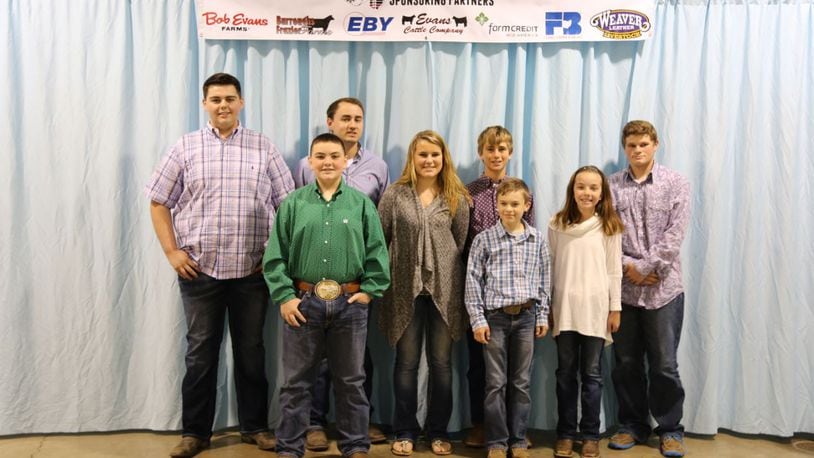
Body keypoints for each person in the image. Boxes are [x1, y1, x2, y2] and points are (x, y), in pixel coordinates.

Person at [145, 72, 293, 457]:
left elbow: (288, 206)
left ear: (241, 102)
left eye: (230, 98)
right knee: (200, 354)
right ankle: (195, 433)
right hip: (200, 272)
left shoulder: (263, 147)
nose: (223, 104)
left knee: (251, 351)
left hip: (252, 272)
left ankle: (255, 427)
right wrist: (171, 252)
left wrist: (274, 255)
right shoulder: (185, 147)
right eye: (216, 99)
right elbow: (159, 201)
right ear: (205, 104)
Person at [263, 133, 390, 458]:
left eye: (335, 155)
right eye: (320, 156)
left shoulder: (361, 204)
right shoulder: (294, 204)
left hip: (350, 305)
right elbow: (275, 256)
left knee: (351, 381)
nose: (328, 162)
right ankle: (290, 448)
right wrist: (285, 296)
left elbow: (377, 250)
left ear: (345, 161)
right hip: (303, 304)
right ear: (310, 161)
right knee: (296, 383)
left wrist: (370, 291)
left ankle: (356, 446)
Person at [291, 97, 390, 450]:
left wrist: (370, 285)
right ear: (330, 122)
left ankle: (359, 427)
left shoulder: (377, 166)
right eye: (345, 118)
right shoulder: (306, 165)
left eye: (358, 119)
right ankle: (315, 424)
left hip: (354, 285)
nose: (352, 124)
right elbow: (300, 215)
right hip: (313, 286)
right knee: (314, 362)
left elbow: (380, 222)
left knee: (358, 362)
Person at [377, 130, 470, 457]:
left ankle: (438, 431)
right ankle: (404, 429)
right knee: (406, 363)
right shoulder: (395, 195)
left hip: (445, 291)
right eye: (423, 155)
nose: (429, 160)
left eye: (435, 154)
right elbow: (381, 238)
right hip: (404, 291)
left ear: (443, 158)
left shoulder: (456, 196)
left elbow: (459, 244)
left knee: (442, 364)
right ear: (412, 159)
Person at [608, 120, 691, 458]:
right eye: (631, 145)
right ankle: (631, 425)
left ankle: (670, 429)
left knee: (664, 365)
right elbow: (607, 234)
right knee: (626, 362)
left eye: (643, 144)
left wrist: (644, 268)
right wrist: (630, 268)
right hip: (625, 290)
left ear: (655, 144)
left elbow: (675, 234)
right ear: (624, 148)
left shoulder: (676, 183)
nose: (637, 150)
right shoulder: (612, 186)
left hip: (664, 289)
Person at [464, 177, 550, 458]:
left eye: (515, 204)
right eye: (503, 203)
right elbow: (473, 281)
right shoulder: (483, 239)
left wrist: (542, 316)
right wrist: (477, 319)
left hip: (526, 318)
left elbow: (543, 281)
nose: (509, 209)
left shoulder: (537, 240)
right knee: (495, 383)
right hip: (495, 319)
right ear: (496, 204)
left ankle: (518, 439)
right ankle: (497, 442)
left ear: (527, 205)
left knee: (521, 382)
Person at [463, 126, 535, 448]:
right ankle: (483, 425)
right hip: (481, 291)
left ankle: (514, 431)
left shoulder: (519, 190)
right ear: (481, 153)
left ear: (510, 152)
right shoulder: (469, 192)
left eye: (502, 149)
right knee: (480, 366)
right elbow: (463, 238)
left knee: (516, 374)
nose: (496, 155)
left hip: (515, 293)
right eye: (490, 149)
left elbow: (529, 238)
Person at [548, 166, 624, 458]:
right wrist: (549, 307)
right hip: (564, 309)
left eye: (593, 188)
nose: (587, 193)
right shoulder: (557, 224)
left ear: (602, 193)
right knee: (565, 374)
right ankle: (566, 434)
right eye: (581, 187)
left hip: (595, 310)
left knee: (592, 375)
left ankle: (590, 434)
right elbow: (551, 267)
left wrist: (614, 308)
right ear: (572, 190)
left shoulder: (609, 226)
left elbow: (614, 271)